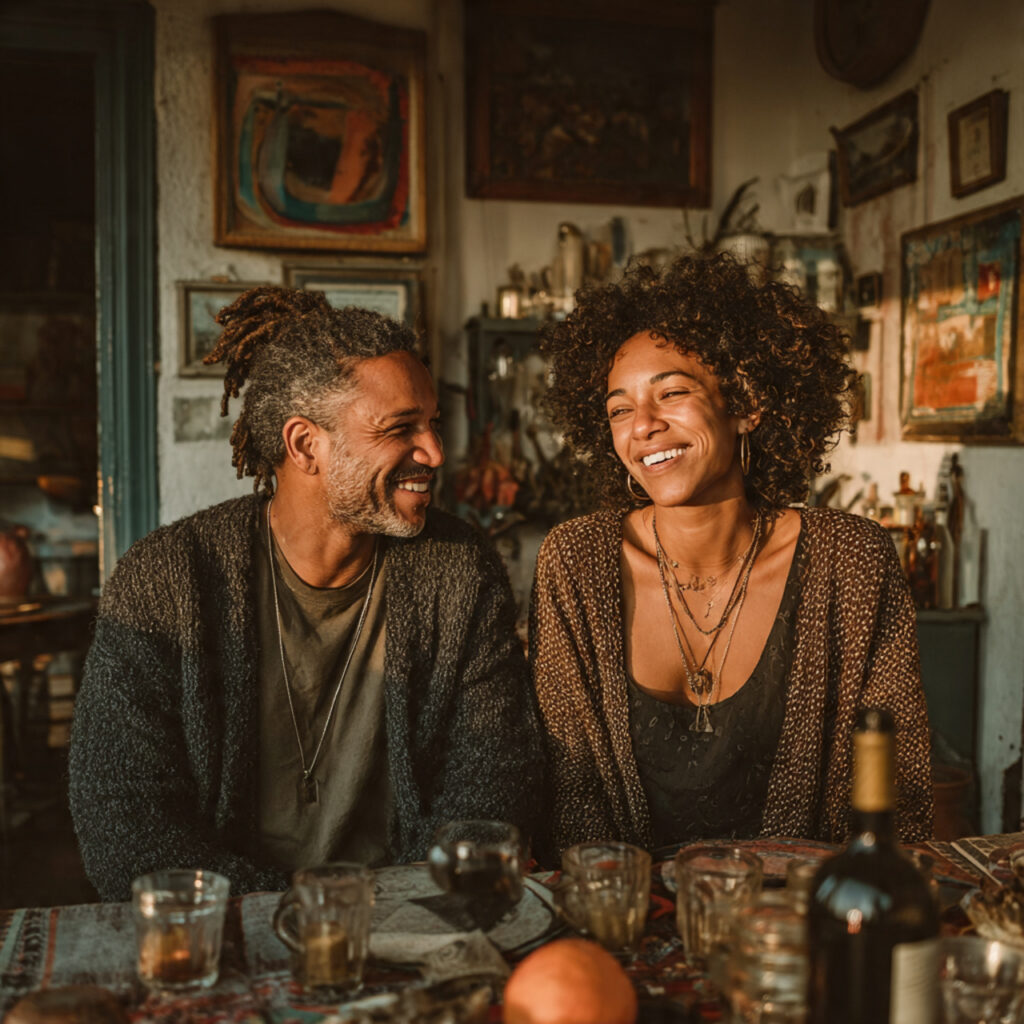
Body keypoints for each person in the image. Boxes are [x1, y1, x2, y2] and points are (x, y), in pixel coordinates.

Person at [70, 287, 542, 901]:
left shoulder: (457, 568)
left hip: (415, 915)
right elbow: (123, 821)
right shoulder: (168, 579)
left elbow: (494, 777)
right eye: (401, 428)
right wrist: (298, 914)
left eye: (432, 424)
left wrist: (404, 906)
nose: (435, 453)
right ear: (303, 445)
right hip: (232, 929)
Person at [529, 253, 932, 860]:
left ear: (745, 405)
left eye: (672, 393)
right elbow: (571, 793)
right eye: (618, 410)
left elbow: (896, 783)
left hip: (802, 920)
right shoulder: (575, 561)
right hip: (624, 922)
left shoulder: (849, 558)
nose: (643, 426)